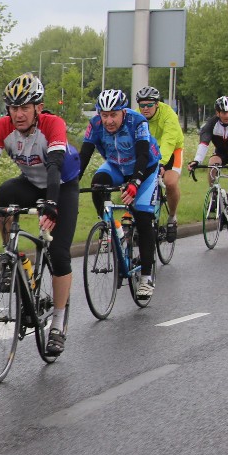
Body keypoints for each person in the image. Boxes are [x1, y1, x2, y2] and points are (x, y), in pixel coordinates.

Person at [0, 73, 82, 354]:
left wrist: (51, 204)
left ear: (38, 107)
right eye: (13, 108)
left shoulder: (52, 124)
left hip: (61, 185)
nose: (19, 114)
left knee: (59, 253)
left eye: (25, 107)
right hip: (32, 183)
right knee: (4, 194)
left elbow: (54, 166)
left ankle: (58, 324)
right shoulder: (3, 127)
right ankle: (11, 256)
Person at [77, 88, 161, 299]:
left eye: (113, 115)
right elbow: (84, 156)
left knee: (143, 216)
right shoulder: (95, 124)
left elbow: (143, 155)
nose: (108, 121)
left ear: (123, 112)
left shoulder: (137, 122)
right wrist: (71, 184)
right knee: (98, 184)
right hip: (116, 166)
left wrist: (135, 182)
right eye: (104, 115)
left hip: (144, 169)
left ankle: (146, 277)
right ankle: (112, 228)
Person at [188, 95, 228, 232]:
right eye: (223, 112)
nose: (227, 115)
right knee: (212, 165)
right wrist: (197, 160)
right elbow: (204, 143)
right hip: (221, 152)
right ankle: (215, 195)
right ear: (217, 113)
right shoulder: (211, 124)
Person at [134, 85, 183, 240]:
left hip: (172, 151)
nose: (145, 109)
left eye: (149, 105)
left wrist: (161, 163)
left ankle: (172, 217)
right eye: (142, 105)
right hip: (150, 152)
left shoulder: (169, 114)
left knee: (170, 183)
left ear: (157, 104)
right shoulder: (136, 116)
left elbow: (169, 140)